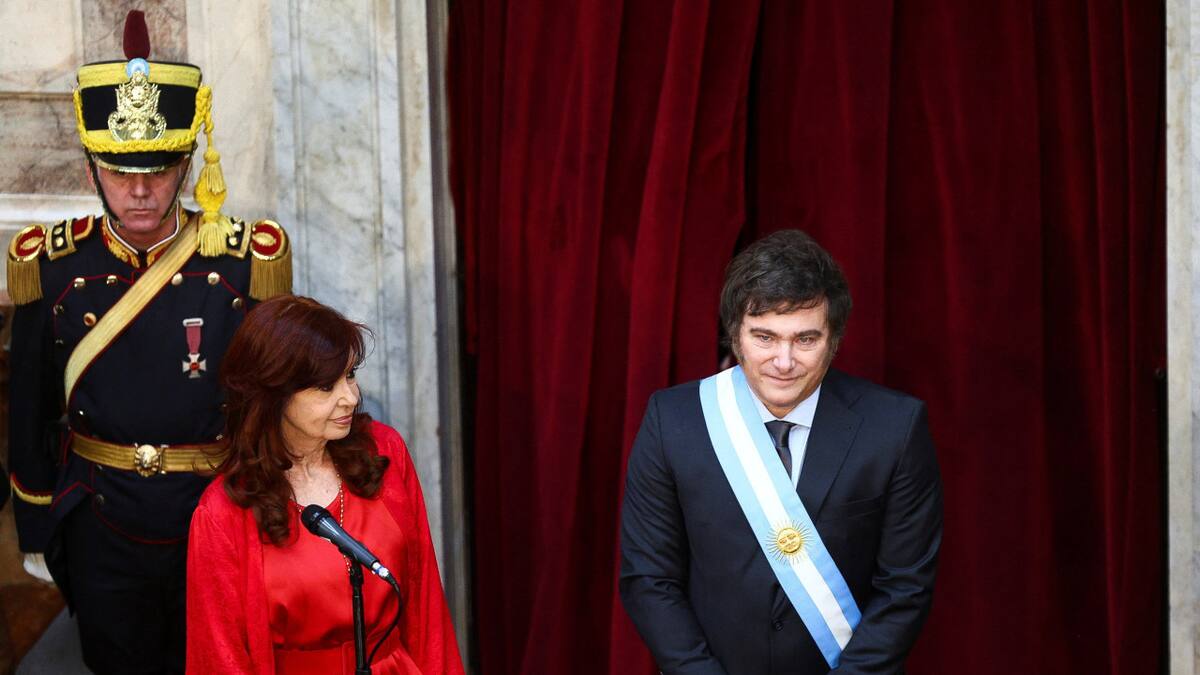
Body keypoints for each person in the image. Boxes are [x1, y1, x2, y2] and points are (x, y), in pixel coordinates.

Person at [5, 11, 291, 673]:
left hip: (217, 517)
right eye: (120, 169)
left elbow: (272, 403)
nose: (139, 189)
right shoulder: (53, 265)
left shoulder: (246, 261)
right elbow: (31, 405)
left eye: (160, 170)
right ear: (90, 168)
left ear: (190, 162)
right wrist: (38, 522)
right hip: (100, 523)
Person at [619, 230, 943, 674]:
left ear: (834, 339)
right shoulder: (672, 420)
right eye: (764, 337)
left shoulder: (895, 428)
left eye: (805, 339)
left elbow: (905, 588)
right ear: (735, 334)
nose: (784, 361)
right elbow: (649, 578)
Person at [186, 295, 464, 674]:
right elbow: (219, 660)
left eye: (350, 375)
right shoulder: (223, 512)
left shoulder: (384, 453)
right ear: (274, 394)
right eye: (325, 387)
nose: (350, 397)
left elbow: (426, 607)